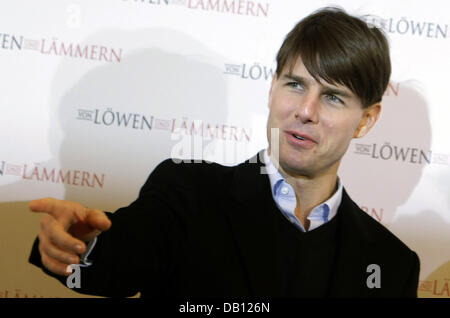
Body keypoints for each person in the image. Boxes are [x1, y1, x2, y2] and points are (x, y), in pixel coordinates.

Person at [28, 7, 420, 297]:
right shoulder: (188, 191)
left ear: (366, 120)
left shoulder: (391, 263)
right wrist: (81, 245)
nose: (305, 111)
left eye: (332, 97)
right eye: (296, 85)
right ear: (272, 88)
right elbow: (119, 263)